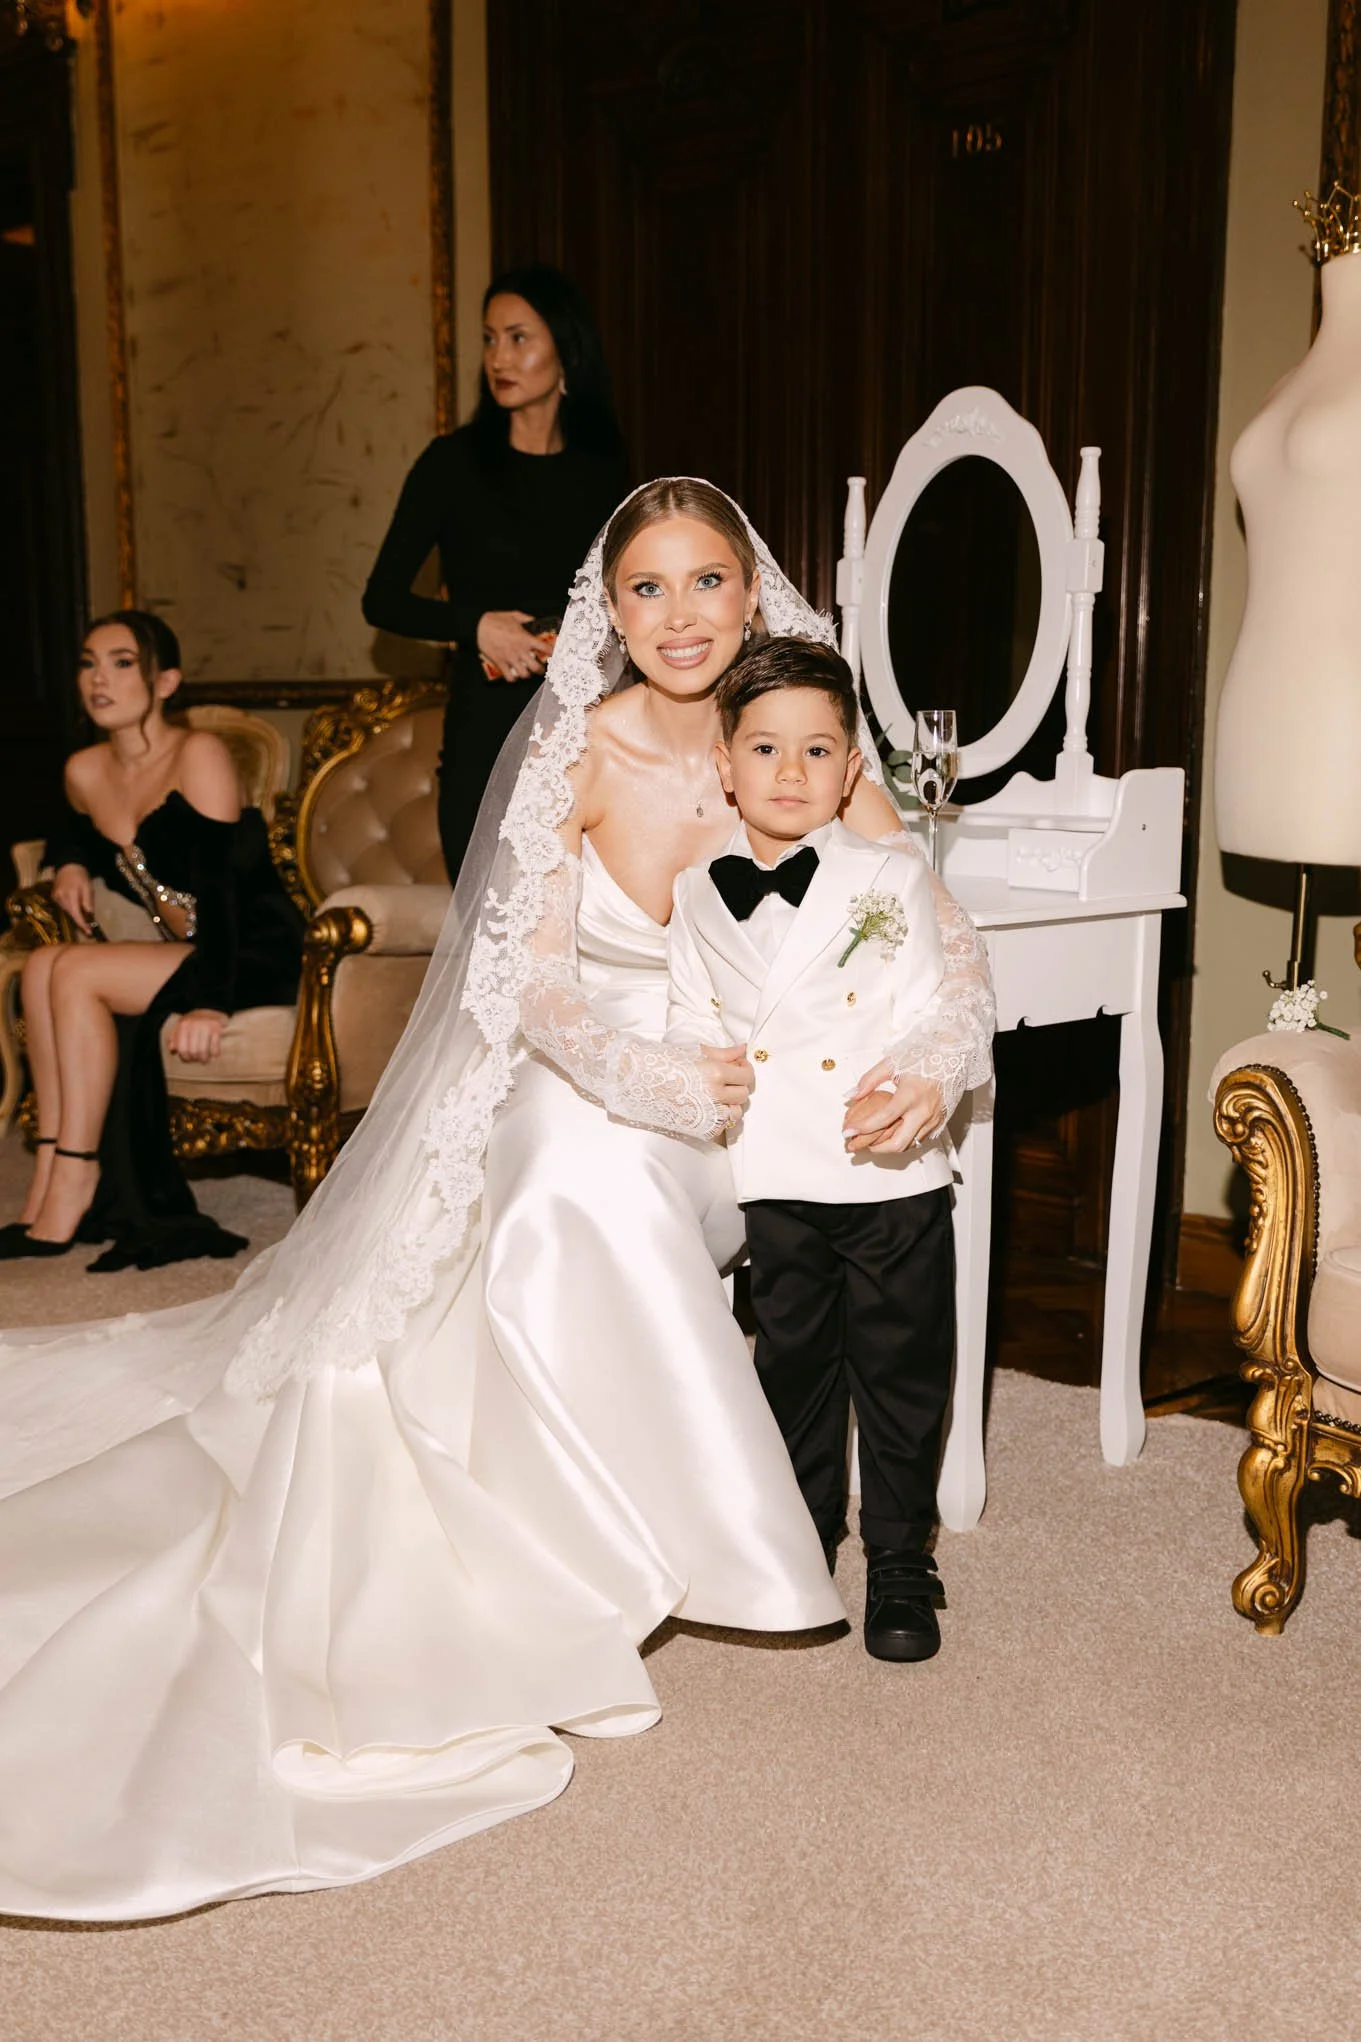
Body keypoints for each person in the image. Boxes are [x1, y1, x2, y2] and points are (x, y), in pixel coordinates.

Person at [0, 482, 993, 1923]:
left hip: (771, 1092)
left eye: (706, 581)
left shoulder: (810, 737)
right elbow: (520, 982)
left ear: (754, 588)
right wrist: (639, 1072)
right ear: (607, 608)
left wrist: (931, 1056)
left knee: (738, 1192)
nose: (678, 617)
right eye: (643, 590)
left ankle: (804, 1517)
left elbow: (932, 926)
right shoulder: (577, 751)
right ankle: (597, 1552)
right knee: (567, 1183)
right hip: (598, 1068)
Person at [667, 638, 993, 1663]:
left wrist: (920, 1080)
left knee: (900, 1368)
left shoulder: (888, 877)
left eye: (817, 750)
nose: (791, 771)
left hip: (881, 1167)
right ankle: (803, 1536)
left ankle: (901, 1553)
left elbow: (938, 1003)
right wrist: (694, 1070)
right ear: (724, 762)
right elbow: (688, 1012)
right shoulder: (691, 890)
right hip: (774, 1172)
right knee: (793, 1362)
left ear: (851, 771)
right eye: (765, 747)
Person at [2, 610, 303, 1270]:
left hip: (248, 951)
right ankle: (49, 1173)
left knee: (75, 971)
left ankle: (77, 1180)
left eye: (121, 663)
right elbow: (81, 832)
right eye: (87, 663)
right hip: (179, 950)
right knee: (45, 962)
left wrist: (210, 1004)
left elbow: (223, 894)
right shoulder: (84, 768)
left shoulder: (199, 754)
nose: (98, 679)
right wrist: (72, 862)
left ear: (166, 681)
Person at [362, 264, 628, 880]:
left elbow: (622, 593)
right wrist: (475, 626)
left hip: (584, 723)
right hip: (483, 730)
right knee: (491, 936)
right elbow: (381, 601)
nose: (498, 358)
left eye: (518, 338)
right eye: (489, 339)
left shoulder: (602, 468)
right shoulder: (451, 465)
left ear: (564, 352)